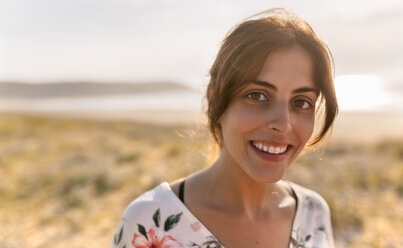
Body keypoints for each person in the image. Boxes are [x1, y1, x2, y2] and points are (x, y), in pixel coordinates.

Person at [111, 8, 338, 248]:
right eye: (257, 96)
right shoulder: (148, 222)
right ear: (215, 100)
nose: (283, 124)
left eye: (301, 102)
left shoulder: (314, 214)